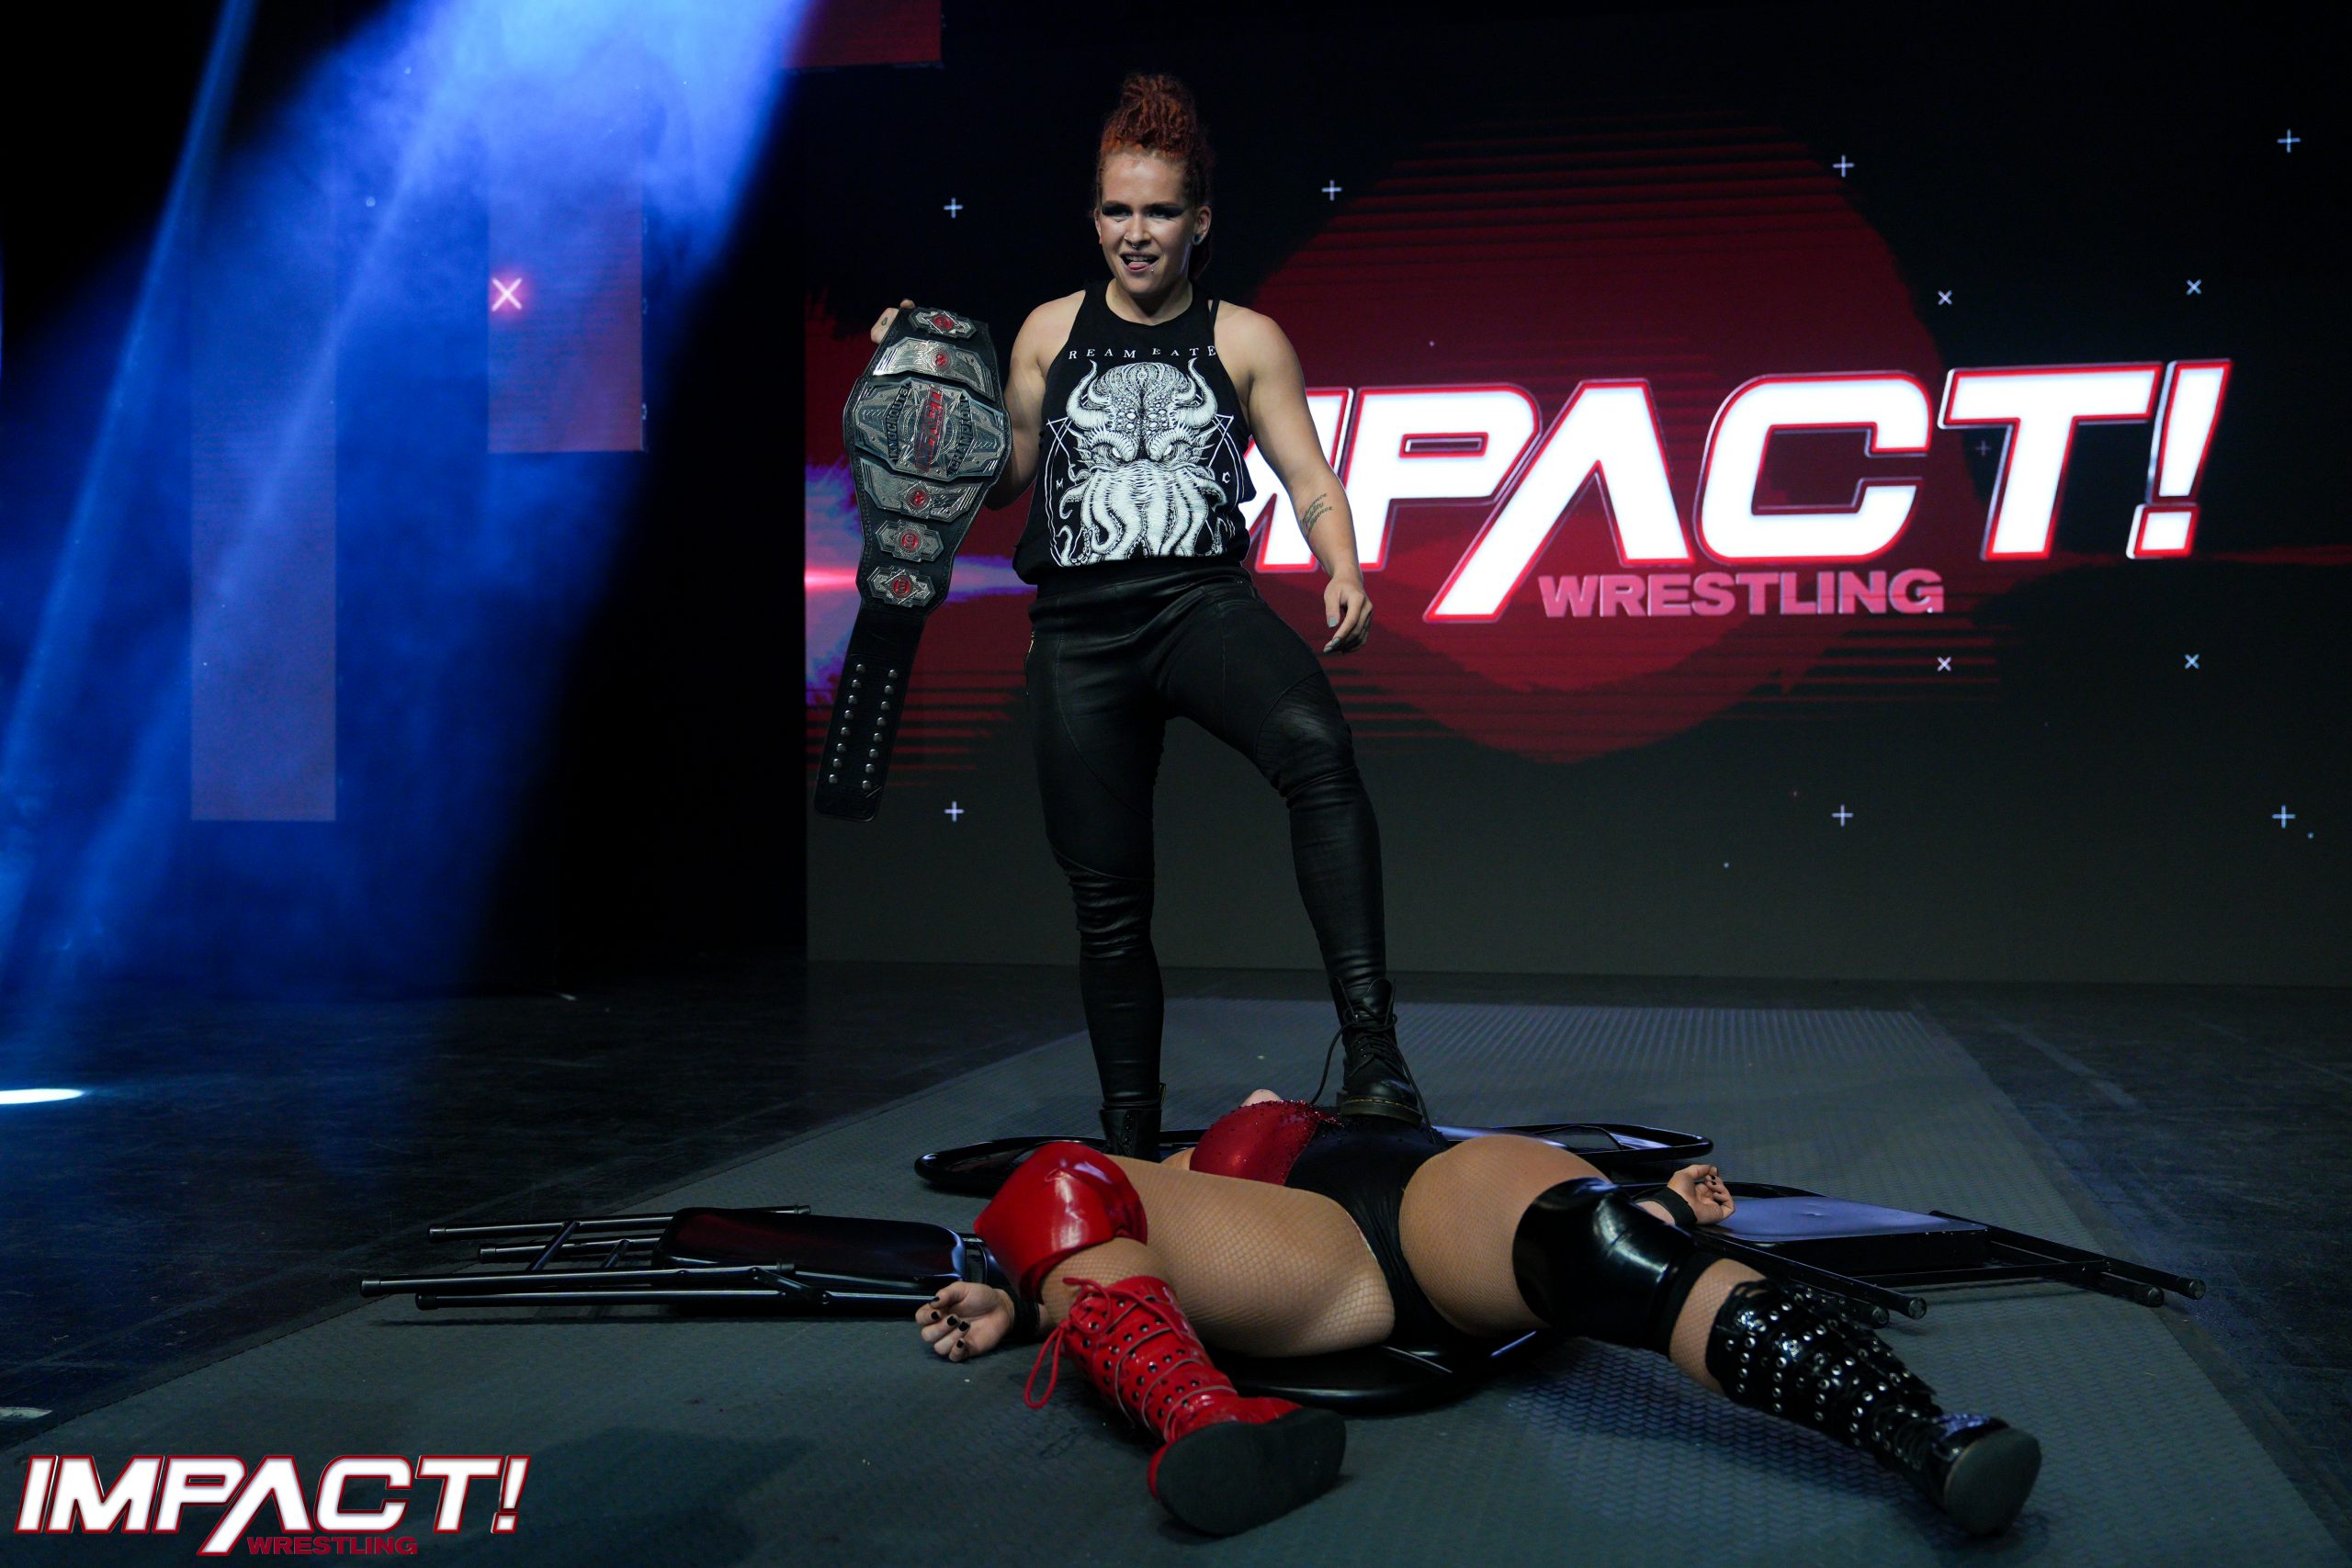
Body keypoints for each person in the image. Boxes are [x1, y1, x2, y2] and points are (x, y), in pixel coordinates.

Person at [867, 73, 1422, 1158]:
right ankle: (1129, 1140)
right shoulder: (1045, 332)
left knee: (1317, 750)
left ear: (1198, 221)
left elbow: (1308, 474)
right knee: (1108, 893)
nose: (1136, 233)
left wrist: (1342, 568)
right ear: (1094, 218)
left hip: (1198, 606)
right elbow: (1005, 481)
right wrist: (923, 384)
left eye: (1159, 211)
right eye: (1117, 211)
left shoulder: (1246, 338)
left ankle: (1373, 1057)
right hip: (1077, 630)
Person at [910, 1092, 2043, 1540]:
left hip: (1430, 1202)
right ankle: (1209, 1422)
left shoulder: (1355, 1118)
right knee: (1047, 1172)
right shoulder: (1192, 1161)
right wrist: (1019, 1290)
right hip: (1314, 1255)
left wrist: (1666, 1202)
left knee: (1594, 1241)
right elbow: (1105, 1218)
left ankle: (1916, 1431)